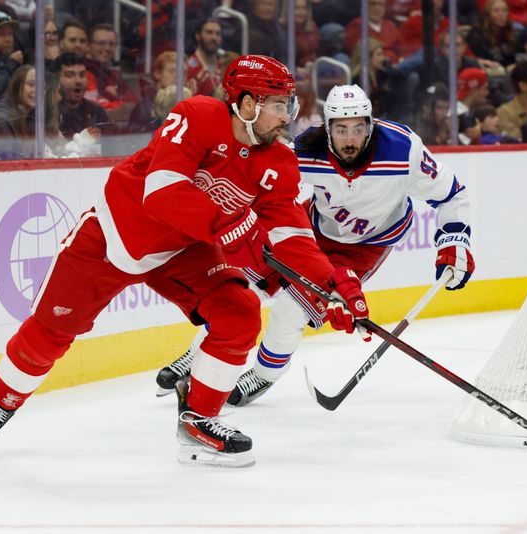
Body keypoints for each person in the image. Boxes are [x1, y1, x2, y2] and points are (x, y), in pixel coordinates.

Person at [0, 55, 371, 468]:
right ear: (247, 104)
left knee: (240, 312)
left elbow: (292, 235)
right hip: (115, 235)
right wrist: (233, 223)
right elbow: (161, 192)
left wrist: (334, 283)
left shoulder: (279, 162)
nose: (288, 116)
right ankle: (2, 402)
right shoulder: (195, 115)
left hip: (185, 250)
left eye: (288, 104)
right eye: (279, 105)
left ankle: (199, 423)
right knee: (49, 333)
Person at [155, 84, 473, 407]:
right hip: (311, 228)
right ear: (327, 127)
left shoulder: (402, 150)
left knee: (291, 309)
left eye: (359, 128)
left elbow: (451, 193)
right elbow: (266, 182)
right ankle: (197, 356)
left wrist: (455, 240)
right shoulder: (307, 148)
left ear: (371, 125)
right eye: (341, 129)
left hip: (365, 246)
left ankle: (263, 375)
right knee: (243, 286)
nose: (350, 139)